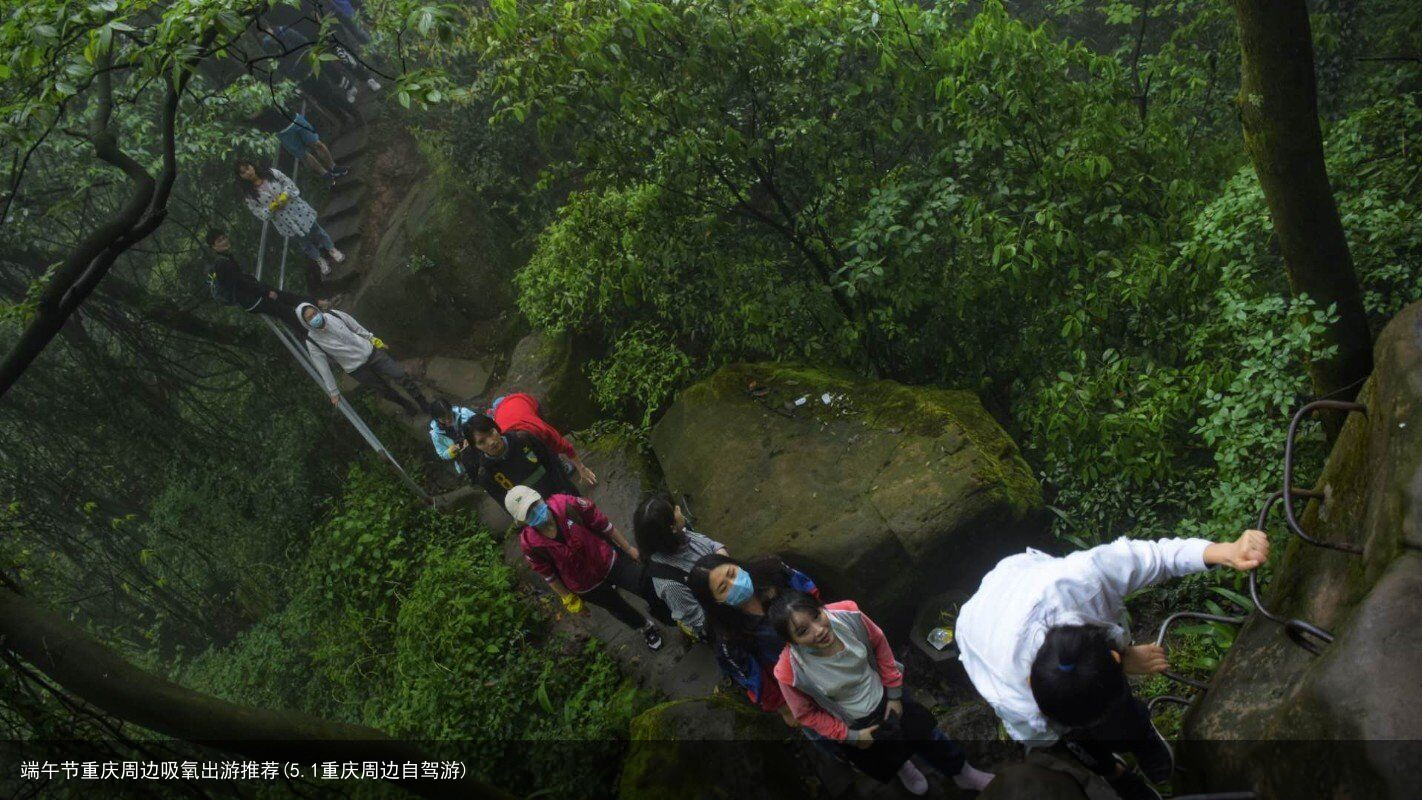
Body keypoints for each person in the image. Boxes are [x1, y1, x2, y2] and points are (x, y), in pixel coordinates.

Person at [953, 530, 1271, 800]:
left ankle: (1141, 738)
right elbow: (1046, 739)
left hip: (1021, 582)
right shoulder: (1018, 704)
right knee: (1077, 741)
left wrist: (1225, 551)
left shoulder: (1082, 579)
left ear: (1115, 656)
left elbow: (1155, 557)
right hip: (978, 628)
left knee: (1120, 712)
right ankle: (1115, 771)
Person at [769, 591, 995, 796]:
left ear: (822, 608)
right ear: (791, 642)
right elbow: (806, 715)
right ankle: (905, 768)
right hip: (854, 721)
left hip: (885, 693)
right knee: (888, 754)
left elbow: (879, 644)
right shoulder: (789, 671)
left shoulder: (848, 615)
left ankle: (963, 773)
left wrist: (894, 695)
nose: (818, 630)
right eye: (803, 631)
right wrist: (851, 736)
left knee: (928, 736)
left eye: (817, 616)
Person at [505, 486, 663, 651]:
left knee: (644, 584)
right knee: (618, 608)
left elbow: (603, 524)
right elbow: (549, 575)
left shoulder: (567, 505)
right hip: (586, 586)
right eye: (528, 513)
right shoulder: (531, 544)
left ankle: (666, 611)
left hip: (608, 561)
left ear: (540, 497)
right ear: (520, 521)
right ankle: (645, 627)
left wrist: (629, 549)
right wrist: (569, 599)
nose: (535, 512)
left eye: (534, 505)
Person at [687, 553, 819, 728]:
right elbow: (754, 678)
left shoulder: (776, 573)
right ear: (716, 601)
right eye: (723, 588)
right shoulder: (728, 638)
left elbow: (811, 593)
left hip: (823, 642)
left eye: (732, 574)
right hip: (801, 683)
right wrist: (785, 708)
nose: (734, 584)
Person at [296, 302, 432, 417]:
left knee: (400, 374)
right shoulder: (312, 341)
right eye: (310, 318)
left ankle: (423, 403)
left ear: (317, 310)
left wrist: (374, 340)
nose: (315, 317)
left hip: (371, 353)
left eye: (314, 313)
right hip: (356, 369)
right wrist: (333, 392)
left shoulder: (334, 315)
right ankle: (406, 405)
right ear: (306, 323)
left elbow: (356, 327)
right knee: (384, 390)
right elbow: (322, 367)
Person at [632, 493, 727, 640]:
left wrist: (720, 554)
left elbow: (708, 544)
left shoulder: (679, 533)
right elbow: (700, 621)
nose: (678, 508)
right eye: (674, 510)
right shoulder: (670, 585)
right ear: (672, 527)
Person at [235, 159, 344, 279]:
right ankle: (320, 260)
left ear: (252, 165)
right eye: (243, 172)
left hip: (298, 209)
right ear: (241, 177)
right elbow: (259, 213)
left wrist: (285, 195)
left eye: (248, 167)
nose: (248, 172)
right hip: (284, 221)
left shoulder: (271, 173)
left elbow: (288, 182)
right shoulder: (249, 196)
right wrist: (272, 207)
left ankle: (332, 249)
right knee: (304, 243)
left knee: (317, 231)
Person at [464, 412, 579, 508]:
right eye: (481, 442)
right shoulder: (486, 475)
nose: (491, 442)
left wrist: (567, 494)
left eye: (490, 433)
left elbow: (554, 464)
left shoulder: (524, 439)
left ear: (496, 428)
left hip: (566, 497)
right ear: (475, 447)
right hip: (542, 516)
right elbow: (510, 507)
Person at [205, 230, 311, 335]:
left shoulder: (225, 257)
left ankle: (318, 307)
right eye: (219, 241)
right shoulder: (222, 264)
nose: (224, 241)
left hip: (254, 294)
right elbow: (241, 284)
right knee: (287, 313)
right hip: (253, 300)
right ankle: (312, 331)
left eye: (224, 237)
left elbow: (239, 279)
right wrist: (266, 293)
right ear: (213, 247)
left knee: (287, 299)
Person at [486, 393, 599, 487]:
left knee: (547, 448)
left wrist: (581, 468)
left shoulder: (540, 429)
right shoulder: (504, 439)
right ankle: (497, 406)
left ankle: (558, 462)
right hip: (504, 410)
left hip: (523, 401)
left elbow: (564, 445)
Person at [275, 112, 348, 184]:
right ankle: (326, 175)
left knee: (317, 144)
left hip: (295, 120)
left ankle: (333, 167)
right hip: (283, 133)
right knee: (304, 155)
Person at [428, 399, 476, 474]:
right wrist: (452, 450)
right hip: (464, 462)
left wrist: (471, 436)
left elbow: (480, 422)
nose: (447, 420)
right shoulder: (436, 434)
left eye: (449, 416)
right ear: (436, 419)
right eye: (443, 419)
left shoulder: (464, 413)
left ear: (451, 409)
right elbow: (442, 454)